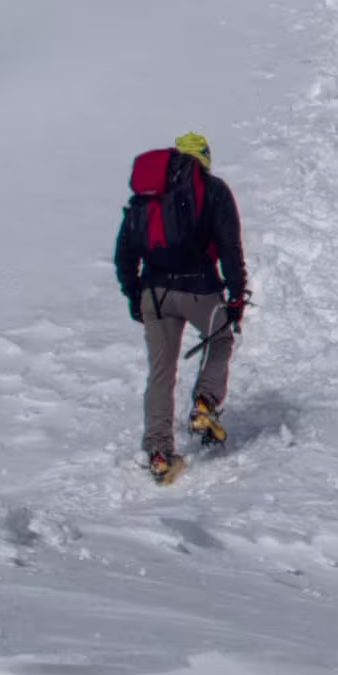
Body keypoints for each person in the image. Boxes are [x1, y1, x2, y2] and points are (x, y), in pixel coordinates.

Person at [113, 129, 249, 482]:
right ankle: (204, 403)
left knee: (161, 371)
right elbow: (229, 246)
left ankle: (159, 453)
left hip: (154, 294)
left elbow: (124, 254)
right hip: (199, 288)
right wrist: (236, 296)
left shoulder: (148, 195)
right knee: (220, 339)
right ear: (204, 158)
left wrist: (135, 296)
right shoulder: (213, 190)